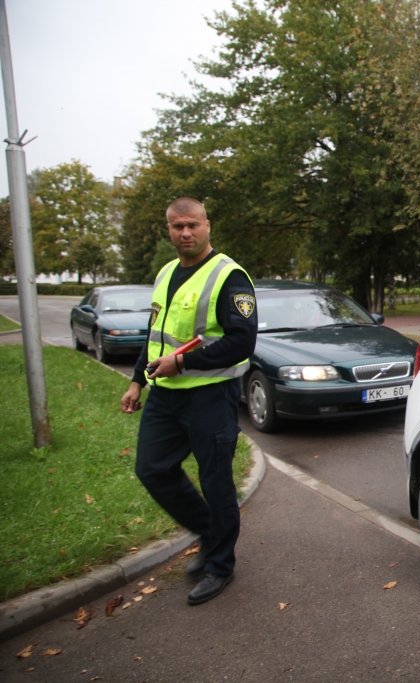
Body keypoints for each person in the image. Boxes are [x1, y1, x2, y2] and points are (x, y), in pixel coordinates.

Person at [119, 197, 257, 606]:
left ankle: (219, 566)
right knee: (152, 468)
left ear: (207, 226)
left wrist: (182, 362)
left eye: (192, 225)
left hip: (210, 396)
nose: (186, 233)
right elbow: (156, 331)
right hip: (164, 396)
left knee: (216, 483)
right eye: (178, 226)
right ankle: (209, 532)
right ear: (169, 229)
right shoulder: (165, 273)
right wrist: (135, 382)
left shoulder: (228, 276)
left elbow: (241, 342)